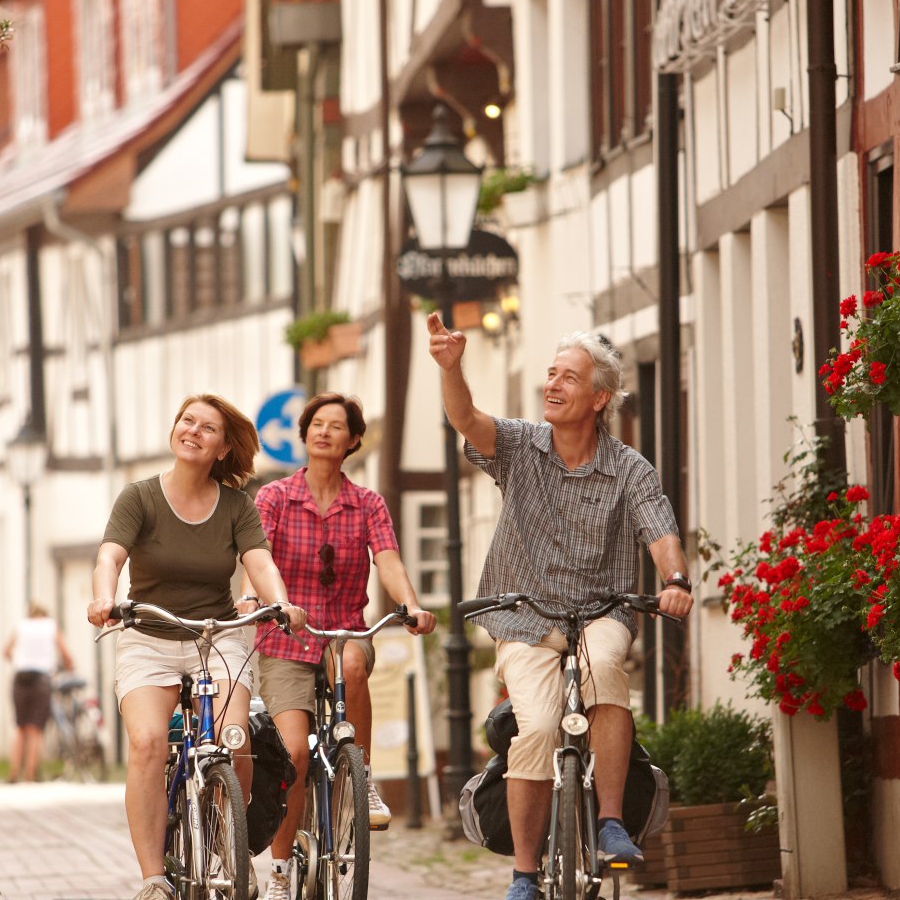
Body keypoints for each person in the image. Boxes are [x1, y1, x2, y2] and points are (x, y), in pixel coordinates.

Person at [425, 314, 694, 900]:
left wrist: (674, 578)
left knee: (605, 671)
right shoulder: (521, 445)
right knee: (539, 728)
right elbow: (466, 419)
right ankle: (524, 872)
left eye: (567, 377)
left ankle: (612, 823)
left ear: (600, 398)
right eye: (550, 373)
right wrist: (452, 368)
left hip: (601, 611)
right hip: (522, 616)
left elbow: (660, 529)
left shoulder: (629, 468)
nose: (552, 384)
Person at [86, 393, 307, 900]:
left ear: (223, 447)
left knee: (234, 736)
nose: (193, 431)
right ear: (175, 429)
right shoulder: (139, 497)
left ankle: (232, 847)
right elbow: (109, 556)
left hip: (218, 635)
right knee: (146, 743)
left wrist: (281, 603)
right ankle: (153, 879)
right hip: (148, 634)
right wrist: (104, 597)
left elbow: (260, 563)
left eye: (207, 428)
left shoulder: (236, 506)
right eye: (187, 421)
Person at [249, 393, 437, 900]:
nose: (323, 432)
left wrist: (412, 604)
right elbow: (257, 559)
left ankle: (362, 773)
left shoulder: (368, 503)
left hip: (343, 632)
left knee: (352, 659)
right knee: (292, 756)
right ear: (305, 435)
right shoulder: (275, 498)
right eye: (316, 424)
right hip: (286, 637)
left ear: (353, 440)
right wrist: (261, 599)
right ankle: (282, 871)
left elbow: (390, 560)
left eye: (336, 426)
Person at [3, 603, 75, 783]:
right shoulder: (50, 625)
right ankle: (30, 773)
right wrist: (68, 668)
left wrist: (18, 661)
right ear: (45, 614)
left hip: (20, 678)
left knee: (20, 726)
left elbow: (6, 651)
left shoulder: (21, 625)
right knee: (35, 728)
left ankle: (13, 772)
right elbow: (67, 655)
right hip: (41, 679)